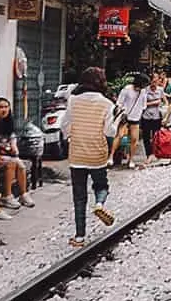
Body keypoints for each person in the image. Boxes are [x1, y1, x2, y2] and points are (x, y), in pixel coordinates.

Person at [63, 67, 117, 247]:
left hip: (77, 153)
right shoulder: (107, 104)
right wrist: (118, 120)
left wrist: (71, 137)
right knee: (101, 185)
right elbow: (109, 131)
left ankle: (79, 237)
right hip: (97, 153)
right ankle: (100, 204)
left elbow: (65, 125)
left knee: (79, 195)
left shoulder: (73, 100)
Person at [0, 97, 32, 208]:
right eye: (1, 107)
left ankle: (23, 194)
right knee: (11, 163)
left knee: (21, 165)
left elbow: (12, 138)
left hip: (6, 154)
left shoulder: (9, 121)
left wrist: (14, 147)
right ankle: (6, 196)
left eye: (6, 107)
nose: (4, 109)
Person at [112, 73, 149, 169]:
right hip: (125, 117)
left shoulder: (143, 92)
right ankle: (111, 157)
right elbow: (119, 102)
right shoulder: (127, 89)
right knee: (119, 136)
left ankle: (131, 159)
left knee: (134, 140)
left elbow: (144, 105)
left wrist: (140, 113)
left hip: (136, 118)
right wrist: (122, 111)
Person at [140, 73, 168, 166]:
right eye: (153, 81)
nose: (154, 83)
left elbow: (165, 101)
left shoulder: (160, 90)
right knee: (146, 137)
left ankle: (155, 154)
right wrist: (155, 102)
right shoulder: (144, 91)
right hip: (146, 116)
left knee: (156, 136)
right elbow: (142, 104)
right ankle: (149, 154)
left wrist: (164, 110)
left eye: (156, 81)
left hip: (157, 116)